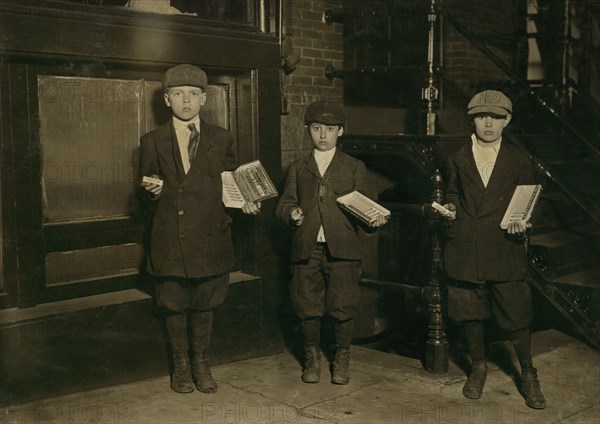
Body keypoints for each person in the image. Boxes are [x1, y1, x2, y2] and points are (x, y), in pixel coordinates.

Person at [139, 64, 260, 394]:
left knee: (206, 302)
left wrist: (246, 200)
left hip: (209, 235)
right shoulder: (151, 141)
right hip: (170, 237)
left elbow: (232, 181)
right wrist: (149, 190)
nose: (186, 100)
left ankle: (201, 363)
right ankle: (180, 365)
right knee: (174, 302)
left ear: (204, 99)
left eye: (193, 94)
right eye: (178, 94)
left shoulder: (222, 138)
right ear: (167, 100)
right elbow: (146, 189)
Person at [440, 90, 545, 409]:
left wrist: (523, 221)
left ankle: (528, 374)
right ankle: (479, 368)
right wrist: (449, 209)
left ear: (507, 121)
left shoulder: (518, 158)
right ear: (472, 120)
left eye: (496, 117)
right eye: (482, 117)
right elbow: (453, 193)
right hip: (466, 247)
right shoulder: (456, 155)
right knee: (470, 313)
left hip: (503, 246)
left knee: (517, 315)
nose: (488, 123)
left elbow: (530, 197)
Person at [276, 101, 388, 385]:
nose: (323, 135)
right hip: (306, 248)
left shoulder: (354, 167)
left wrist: (374, 221)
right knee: (307, 304)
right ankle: (311, 357)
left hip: (344, 250)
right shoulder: (298, 167)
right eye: (316, 128)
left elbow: (369, 208)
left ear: (340, 131)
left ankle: (341, 358)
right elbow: (284, 202)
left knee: (343, 305)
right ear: (307, 131)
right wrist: (291, 212)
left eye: (329, 129)